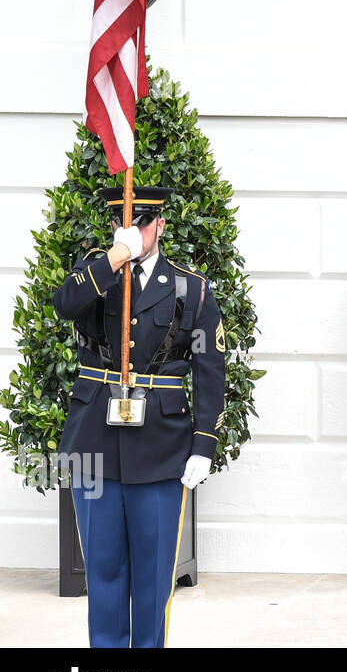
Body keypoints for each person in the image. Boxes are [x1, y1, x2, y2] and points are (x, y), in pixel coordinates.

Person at [52, 185, 226, 647]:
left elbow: (210, 373)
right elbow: (64, 304)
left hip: (161, 448)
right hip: (91, 447)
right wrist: (114, 258)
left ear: (161, 225)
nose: (135, 230)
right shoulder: (95, 273)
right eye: (124, 223)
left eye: (144, 223)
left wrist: (204, 445)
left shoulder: (191, 289)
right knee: (103, 571)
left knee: (152, 579)